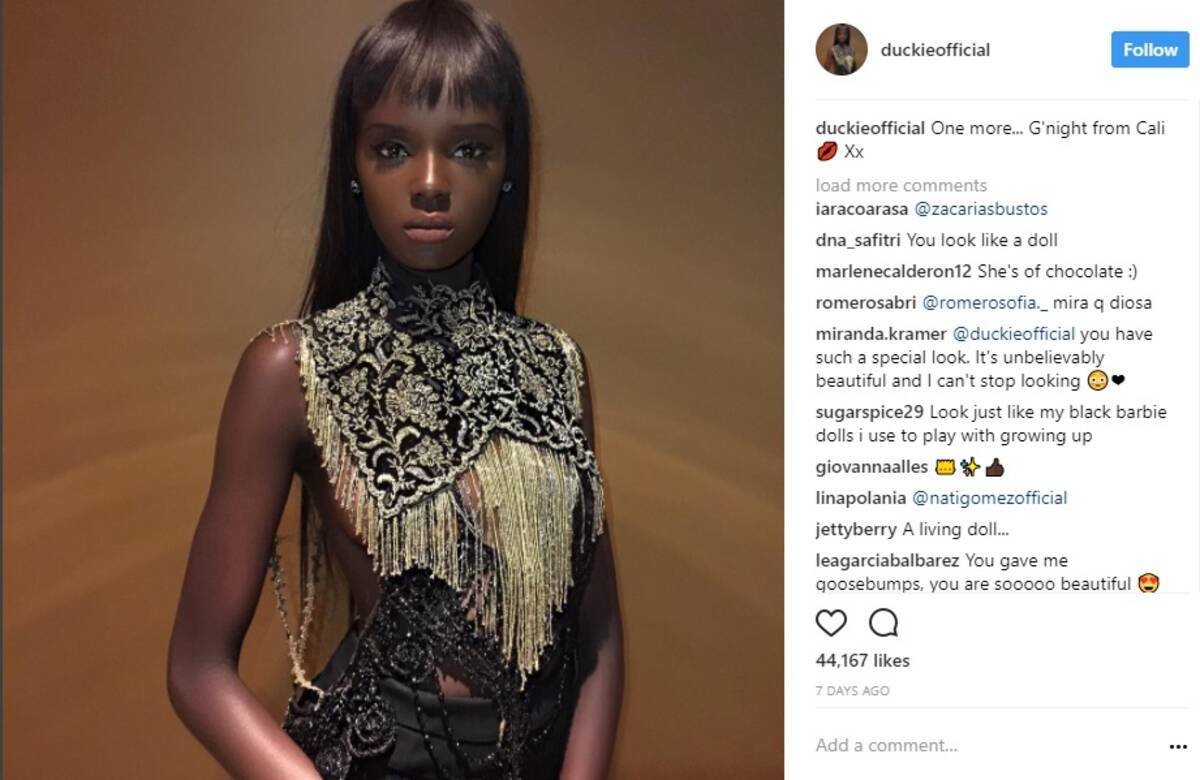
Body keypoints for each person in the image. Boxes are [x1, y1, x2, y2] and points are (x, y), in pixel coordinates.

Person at [166, 2, 624, 778]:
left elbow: (598, 637)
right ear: (354, 166)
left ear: (508, 168)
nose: (431, 183)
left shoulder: (556, 365)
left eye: (469, 148)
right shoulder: (293, 369)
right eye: (392, 148)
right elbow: (196, 669)